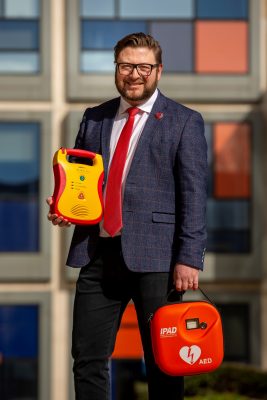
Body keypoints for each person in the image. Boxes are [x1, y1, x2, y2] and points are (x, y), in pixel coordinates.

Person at [47, 32, 208, 400]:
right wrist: (66, 207)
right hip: (98, 254)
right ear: (116, 68)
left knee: (164, 360)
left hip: (159, 259)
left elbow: (195, 195)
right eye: (126, 66)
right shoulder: (95, 118)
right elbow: (85, 182)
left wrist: (188, 258)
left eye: (143, 67)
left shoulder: (184, 121)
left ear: (158, 71)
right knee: (86, 358)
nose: (134, 74)